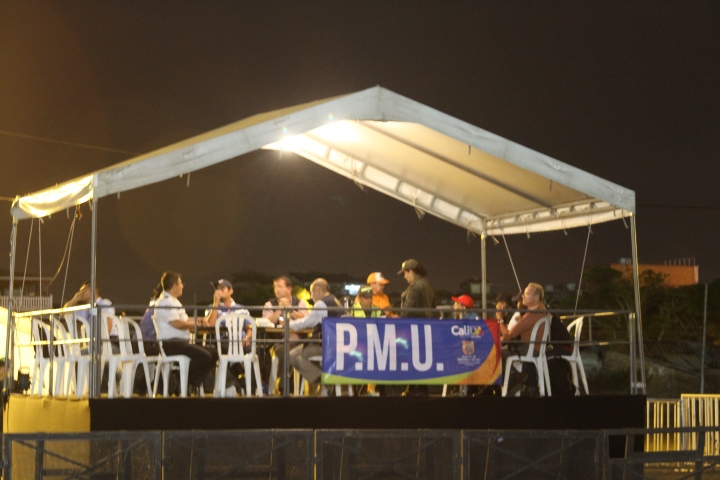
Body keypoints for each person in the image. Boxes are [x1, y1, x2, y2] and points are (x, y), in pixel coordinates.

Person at [153, 271, 216, 394]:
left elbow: (185, 321)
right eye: (181, 283)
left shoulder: (174, 301)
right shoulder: (165, 302)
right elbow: (177, 323)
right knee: (205, 356)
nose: (183, 286)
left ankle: (183, 379)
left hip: (181, 343)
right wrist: (196, 323)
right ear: (174, 286)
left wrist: (198, 320)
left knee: (214, 353)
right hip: (171, 344)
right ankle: (182, 378)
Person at [287, 278, 341, 395]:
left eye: (311, 293)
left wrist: (288, 324)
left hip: (324, 346)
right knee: (298, 355)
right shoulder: (335, 300)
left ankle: (325, 381)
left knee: (293, 355)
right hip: (337, 345)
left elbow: (306, 322)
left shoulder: (321, 304)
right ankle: (326, 380)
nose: (311, 297)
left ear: (317, 289)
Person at [397, 258, 436, 396]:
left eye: (405, 273)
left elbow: (406, 310)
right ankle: (421, 388)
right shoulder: (428, 285)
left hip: (413, 328)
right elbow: (433, 308)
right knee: (422, 358)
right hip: (426, 327)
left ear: (411, 271)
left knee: (412, 359)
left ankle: (413, 388)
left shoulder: (414, 287)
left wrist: (398, 320)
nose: (404, 276)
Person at [262, 276, 309, 390]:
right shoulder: (269, 304)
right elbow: (267, 322)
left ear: (289, 289)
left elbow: (306, 320)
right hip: (279, 341)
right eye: (275, 287)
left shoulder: (300, 303)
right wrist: (279, 309)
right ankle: (284, 385)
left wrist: (290, 309)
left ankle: (293, 386)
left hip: (299, 341)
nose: (277, 290)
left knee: (301, 351)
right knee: (284, 350)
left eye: (280, 286)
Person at [502, 282, 548, 396]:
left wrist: (496, 341)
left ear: (536, 297)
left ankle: (513, 379)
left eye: (527, 294)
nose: (523, 296)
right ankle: (518, 378)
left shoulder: (533, 313)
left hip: (528, 348)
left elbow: (511, 334)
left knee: (494, 352)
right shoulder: (542, 311)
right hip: (535, 348)